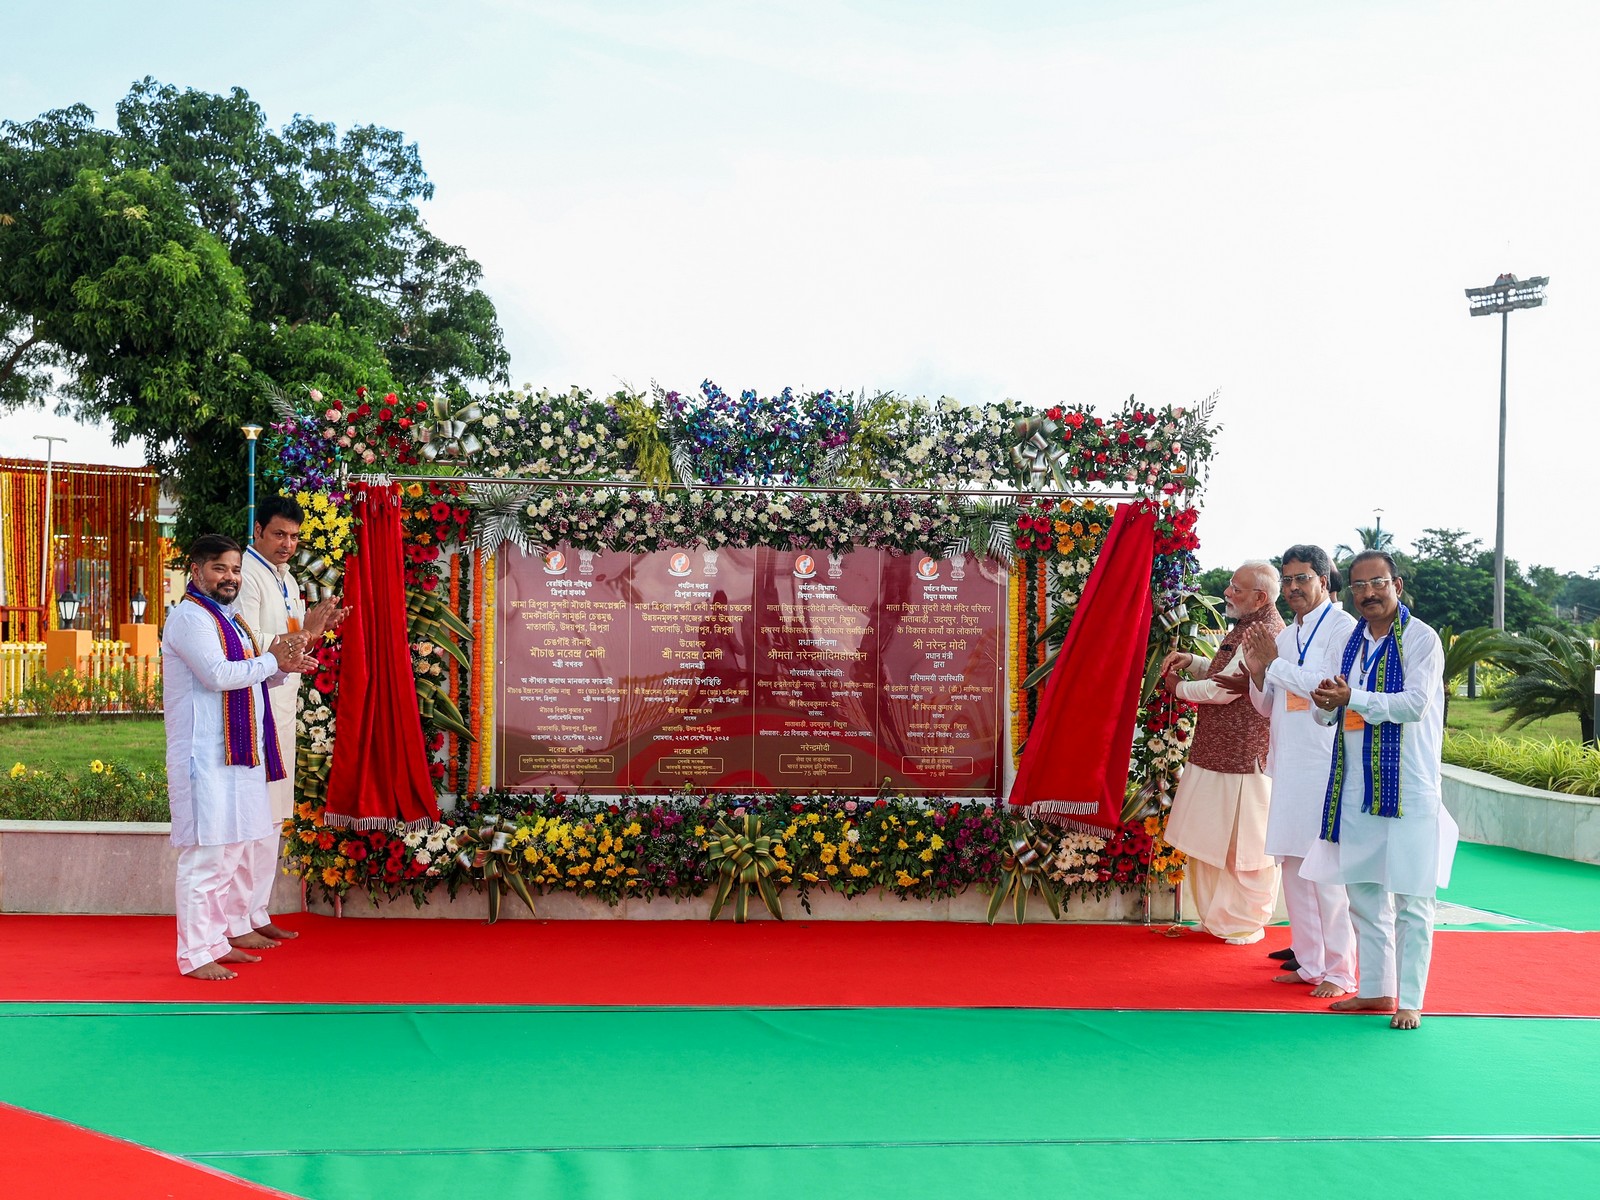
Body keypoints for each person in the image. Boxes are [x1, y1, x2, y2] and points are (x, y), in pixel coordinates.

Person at [1302, 550, 1459, 1030]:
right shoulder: (1351, 643)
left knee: (1412, 900)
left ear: (1397, 585)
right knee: (1364, 895)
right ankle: (1375, 989)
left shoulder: (1422, 639)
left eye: (1378, 583)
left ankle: (1410, 1000)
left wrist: (1353, 697)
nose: (1368, 593)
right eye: (1359, 586)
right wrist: (1326, 704)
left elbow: (1414, 704)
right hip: (1356, 786)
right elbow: (1328, 711)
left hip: (1408, 789)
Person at [164, 535, 317, 980]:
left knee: (230, 854)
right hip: (205, 756)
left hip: (240, 753)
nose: (230, 577)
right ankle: (194, 954)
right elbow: (217, 675)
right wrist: (272, 662)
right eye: (220, 568)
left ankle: (215, 942)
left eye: (234, 569)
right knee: (206, 859)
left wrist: (282, 668)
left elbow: (249, 678)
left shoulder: (231, 621)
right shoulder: (191, 618)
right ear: (197, 571)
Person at [1232, 545, 1358, 997]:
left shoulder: (1344, 628)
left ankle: (1341, 971)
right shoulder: (1285, 638)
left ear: (1323, 580)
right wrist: (1258, 673)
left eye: (1302, 578)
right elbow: (1268, 706)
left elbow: (1326, 689)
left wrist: (1274, 665)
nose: (1292, 588)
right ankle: (1310, 962)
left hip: (1325, 763)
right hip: (1287, 763)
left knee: (1326, 870)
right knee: (1292, 864)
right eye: (1286, 580)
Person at [235, 494, 347, 949]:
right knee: (254, 815)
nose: (287, 544)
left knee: (273, 815)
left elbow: (292, 638)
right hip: (254, 705)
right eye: (279, 534)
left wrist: (315, 629)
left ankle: (256, 911)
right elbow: (247, 638)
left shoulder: (285, 576)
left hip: (281, 705)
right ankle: (236, 919)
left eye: (295, 537)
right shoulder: (246, 575)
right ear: (258, 531)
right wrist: (308, 632)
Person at [1159, 561, 1285, 944]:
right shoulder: (1247, 625)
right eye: (1230, 585)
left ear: (1259, 597)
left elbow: (1224, 689)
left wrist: (1177, 688)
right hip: (1217, 752)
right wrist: (1194, 662)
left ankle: (1245, 922)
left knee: (1244, 848)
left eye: (1236, 588)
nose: (1227, 592)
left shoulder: (1264, 631)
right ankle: (1218, 918)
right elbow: (1223, 670)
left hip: (1244, 757)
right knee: (1211, 840)